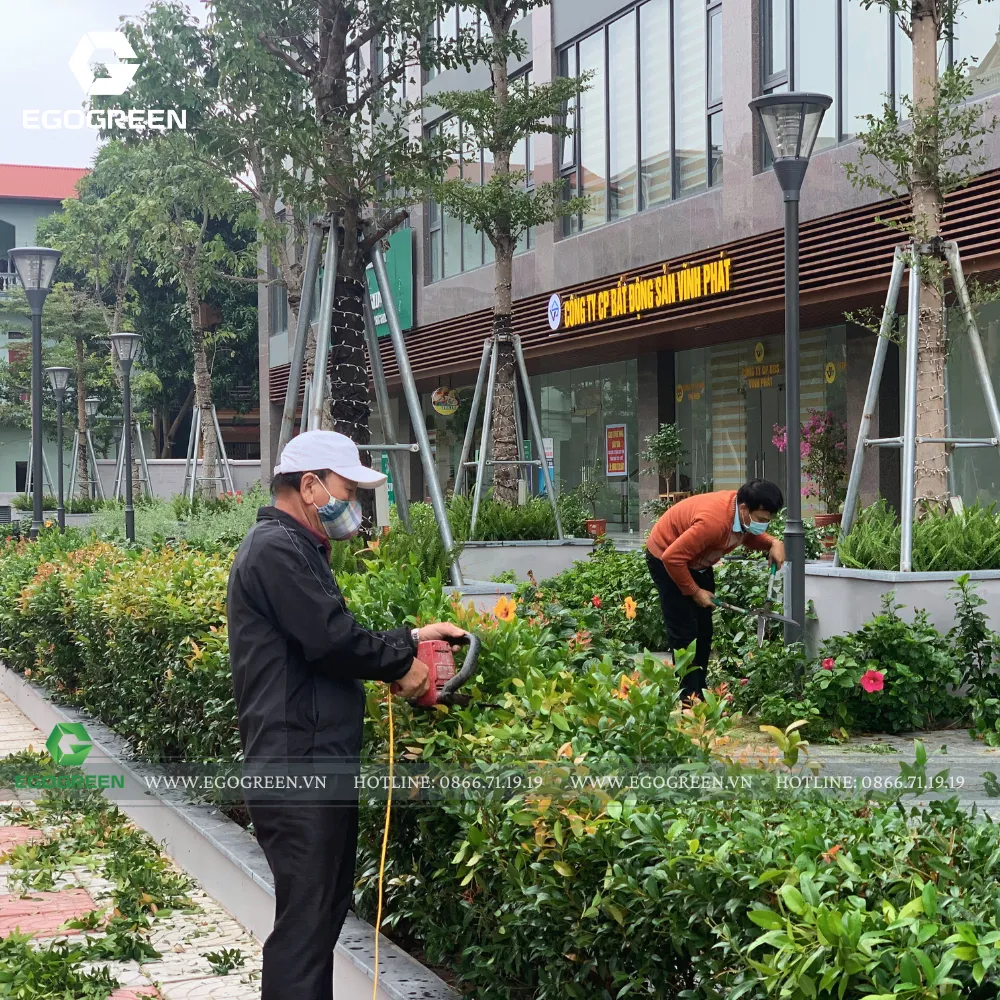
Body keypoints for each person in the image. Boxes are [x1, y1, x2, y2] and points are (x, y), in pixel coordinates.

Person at [226, 430, 465, 1000]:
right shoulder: (276, 549)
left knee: (321, 913)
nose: (353, 504)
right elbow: (331, 641)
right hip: (297, 769)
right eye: (348, 489)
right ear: (310, 487)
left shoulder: (294, 548)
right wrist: (402, 668)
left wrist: (409, 639)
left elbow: (327, 637)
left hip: (310, 766)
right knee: (306, 930)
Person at [645, 479, 786, 702]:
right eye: (761, 520)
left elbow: (748, 534)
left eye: (768, 522)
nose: (763, 525)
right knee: (685, 633)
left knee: (703, 630)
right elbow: (672, 558)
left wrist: (772, 542)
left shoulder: (741, 514)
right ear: (743, 509)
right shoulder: (713, 522)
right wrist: (694, 591)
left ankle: (699, 691)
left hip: (697, 562)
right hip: (666, 558)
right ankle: (689, 703)